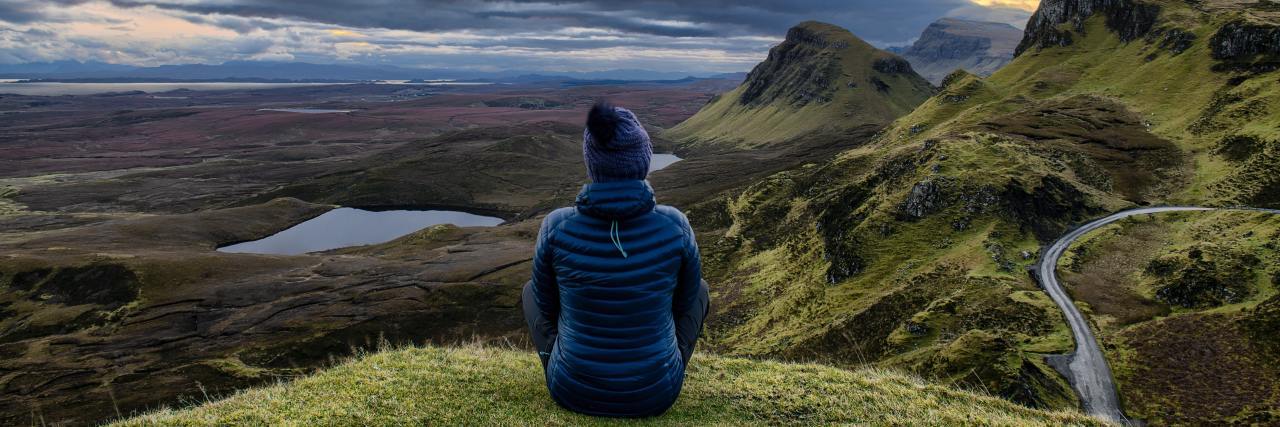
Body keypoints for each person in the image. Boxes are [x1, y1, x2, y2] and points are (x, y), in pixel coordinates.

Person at [522, 101, 710, 418]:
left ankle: (567, 363)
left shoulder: (556, 225)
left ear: (592, 163)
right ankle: (659, 366)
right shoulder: (675, 224)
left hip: (571, 389)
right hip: (657, 393)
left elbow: (547, 305)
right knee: (700, 291)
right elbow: (683, 303)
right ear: (644, 160)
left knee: (531, 292)